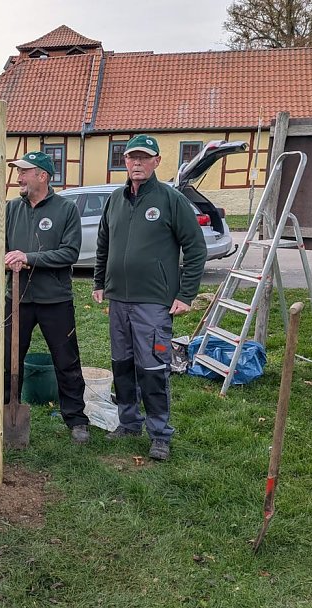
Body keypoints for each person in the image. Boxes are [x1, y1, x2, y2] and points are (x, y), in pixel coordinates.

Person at [93, 134, 207, 461]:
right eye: (132, 158)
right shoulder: (115, 200)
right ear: (125, 162)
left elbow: (196, 248)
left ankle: (160, 433)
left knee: (154, 368)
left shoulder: (170, 200)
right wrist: (100, 282)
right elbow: (104, 244)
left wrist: (185, 294)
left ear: (157, 161)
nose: (137, 163)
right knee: (122, 365)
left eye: (144, 158)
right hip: (118, 302)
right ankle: (129, 422)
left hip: (154, 303)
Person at [3, 151, 91, 444]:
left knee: (66, 360)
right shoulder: (12, 209)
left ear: (42, 176)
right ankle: (5, 410)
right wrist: (8, 259)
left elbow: (70, 253)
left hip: (55, 299)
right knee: (8, 359)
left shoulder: (65, 209)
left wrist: (28, 257)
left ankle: (76, 418)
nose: (19, 177)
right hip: (17, 298)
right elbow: (1, 246)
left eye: (24, 172)